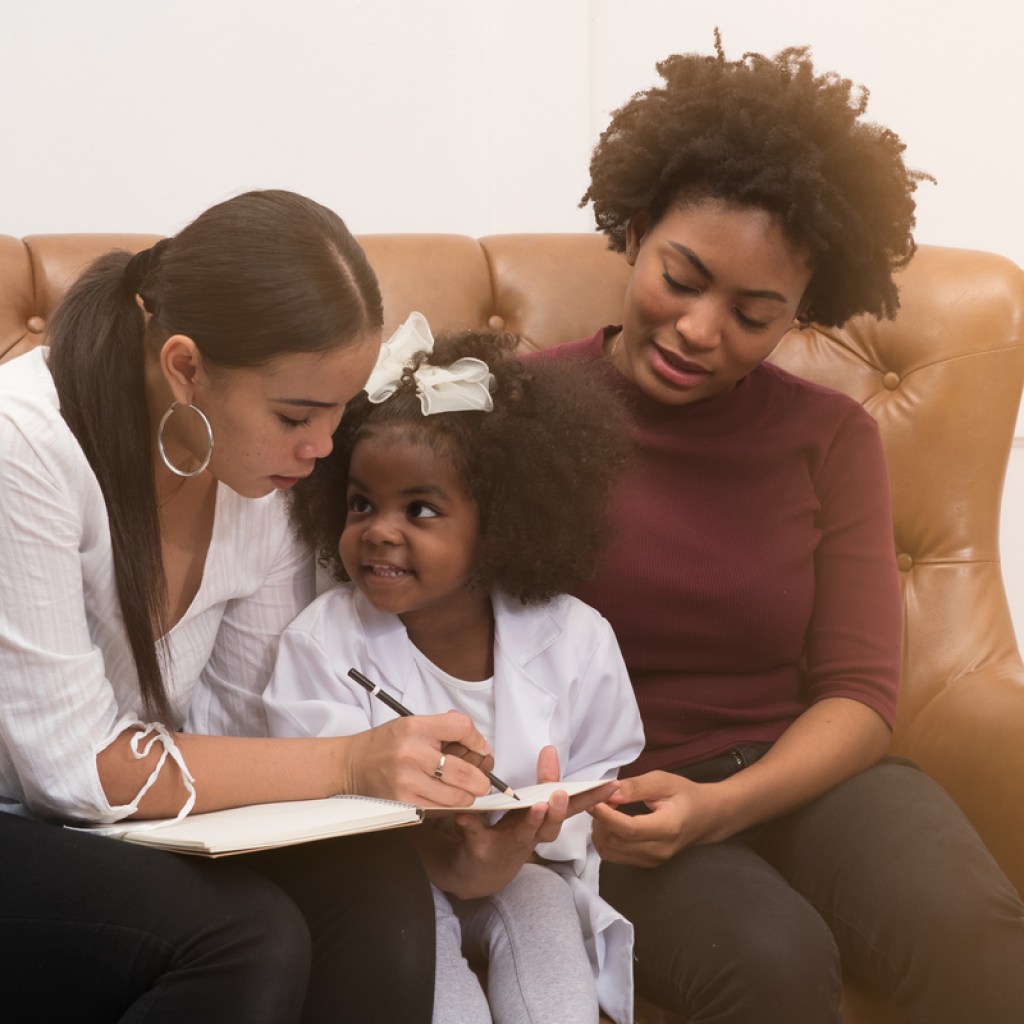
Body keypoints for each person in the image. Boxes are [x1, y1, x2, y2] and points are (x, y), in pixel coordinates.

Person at [534, 38, 1024, 1023]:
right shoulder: (524, 409)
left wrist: (724, 804)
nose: (700, 330)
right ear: (633, 230)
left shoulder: (828, 434)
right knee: (769, 962)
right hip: (613, 804)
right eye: (683, 277)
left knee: (975, 933)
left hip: (802, 772)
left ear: (799, 312)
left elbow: (857, 692)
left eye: (754, 315)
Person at [0, 190, 500, 1024]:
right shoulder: (26, 447)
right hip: (24, 813)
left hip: (108, 827)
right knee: (246, 936)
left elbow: (243, 731)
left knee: (375, 885)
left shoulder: (257, 476)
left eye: (341, 412)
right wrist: (352, 761)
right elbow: (74, 770)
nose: (323, 448)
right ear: (185, 366)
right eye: (297, 415)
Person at [263, 314, 646, 1024]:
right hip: (386, 887)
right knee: (427, 979)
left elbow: (604, 774)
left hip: (527, 874)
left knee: (547, 945)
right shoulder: (322, 644)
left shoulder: (575, 639)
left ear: (500, 524)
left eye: (420, 509)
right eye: (360, 503)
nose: (380, 529)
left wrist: (531, 836)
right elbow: (318, 815)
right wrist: (438, 857)